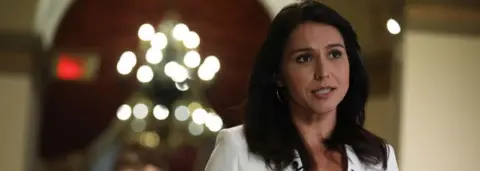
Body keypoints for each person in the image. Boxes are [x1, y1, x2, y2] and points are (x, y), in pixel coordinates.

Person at [205, 1, 399, 171]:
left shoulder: (379, 157)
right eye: (304, 58)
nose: (323, 72)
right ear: (278, 75)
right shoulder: (238, 148)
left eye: (334, 54)